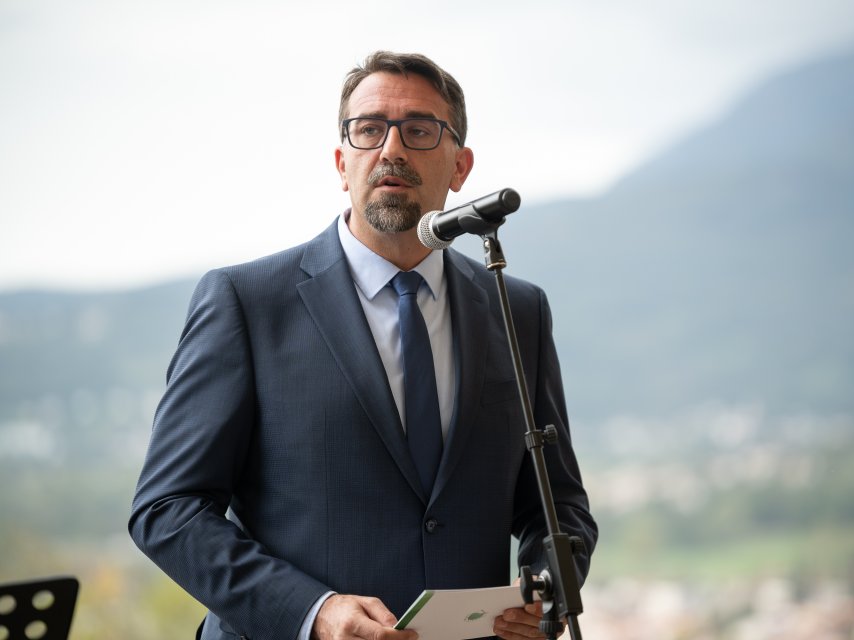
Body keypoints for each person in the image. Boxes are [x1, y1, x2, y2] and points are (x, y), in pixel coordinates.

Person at [129, 50, 597, 640]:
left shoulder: (517, 308)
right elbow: (167, 510)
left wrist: (546, 593)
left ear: (460, 166)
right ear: (341, 161)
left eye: (419, 131)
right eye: (370, 129)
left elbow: (557, 505)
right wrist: (312, 612)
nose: (391, 149)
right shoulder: (245, 302)